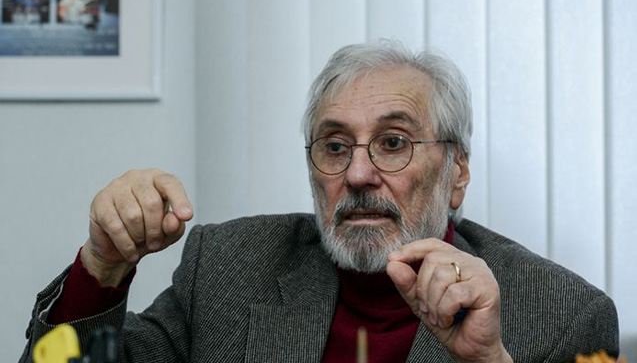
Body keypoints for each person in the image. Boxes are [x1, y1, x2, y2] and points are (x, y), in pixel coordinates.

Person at [20, 41, 618, 362]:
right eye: (334, 146)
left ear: (456, 172)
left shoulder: (563, 316)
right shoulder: (229, 268)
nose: (357, 173)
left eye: (393, 143)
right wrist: (101, 267)